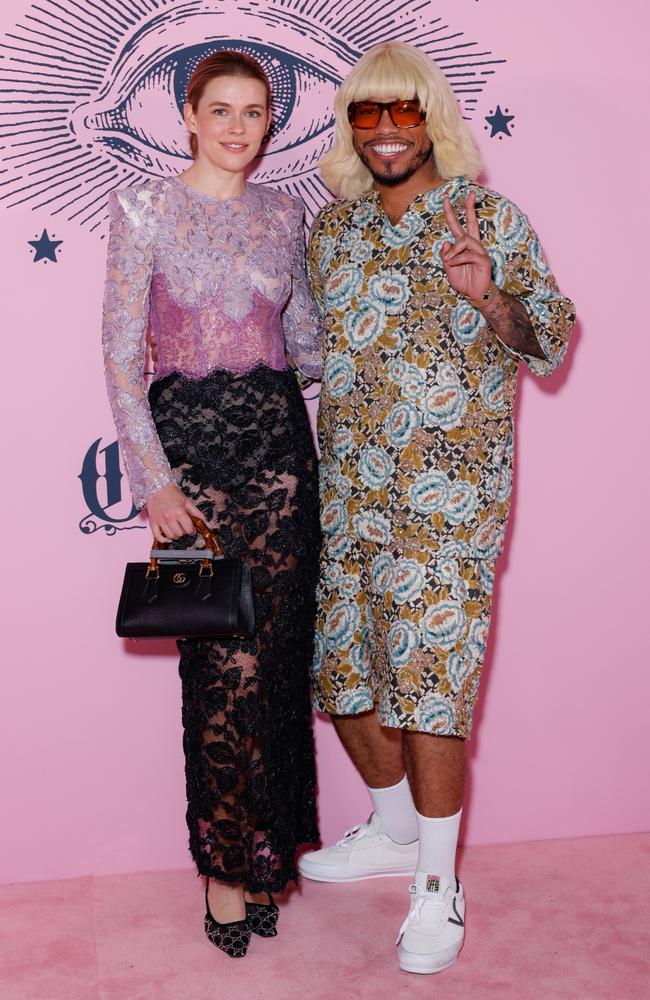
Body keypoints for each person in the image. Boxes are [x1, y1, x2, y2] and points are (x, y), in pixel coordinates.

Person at [299, 41, 575, 975]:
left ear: (432, 119)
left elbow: (549, 347)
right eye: (367, 114)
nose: (385, 131)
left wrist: (487, 293)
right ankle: (389, 828)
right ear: (351, 128)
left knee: (432, 693)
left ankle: (435, 886)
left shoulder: (489, 218)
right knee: (343, 678)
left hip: (450, 507)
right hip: (350, 496)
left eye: (403, 112)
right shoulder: (330, 234)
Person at [102, 51, 323, 958]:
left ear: (271, 122)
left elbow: (303, 338)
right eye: (220, 110)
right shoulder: (144, 206)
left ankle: (265, 857)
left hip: (279, 457)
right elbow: (122, 359)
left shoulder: (284, 211)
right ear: (187, 115)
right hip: (191, 457)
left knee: (273, 672)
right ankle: (223, 874)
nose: (238, 127)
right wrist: (155, 479)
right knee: (218, 674)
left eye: (255, 112)